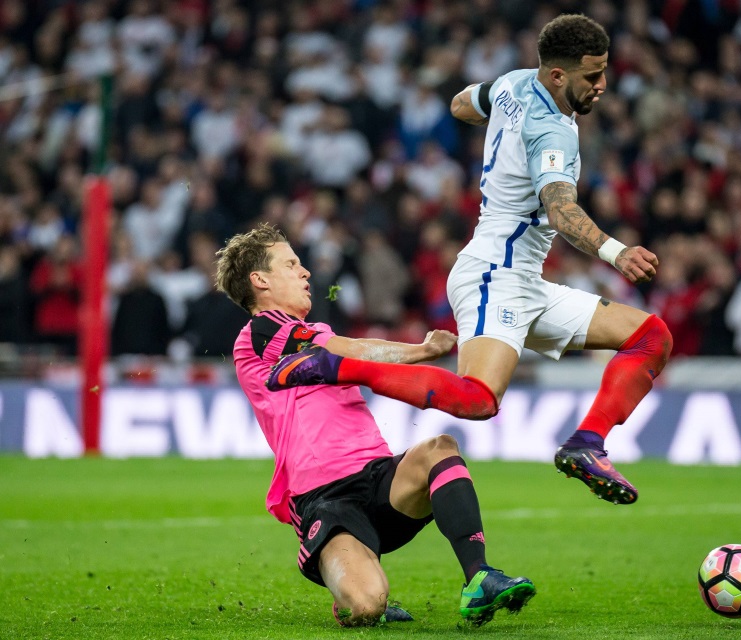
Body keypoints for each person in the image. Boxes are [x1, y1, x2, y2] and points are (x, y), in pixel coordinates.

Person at [215, 224, 535, 627]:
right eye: (291, 264)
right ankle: (351, 585)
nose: (306, 272)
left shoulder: (316, 332)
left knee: (440, 448)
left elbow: (345, 352)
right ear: (259, 280)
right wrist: (422, 350)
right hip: (326, 499)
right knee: (367, 606)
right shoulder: (259, 334)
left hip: (379, 480)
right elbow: (348, 352)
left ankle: (479, 578)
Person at [444, 13, 672, 503]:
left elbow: (462, 104)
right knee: (477, 401)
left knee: (650, 337)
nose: (603, 85)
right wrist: (617, 251)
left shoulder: (511, 81)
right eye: (592, 76)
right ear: (557, 75)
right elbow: (560, 208)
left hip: (526, 281)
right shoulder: (554, 131)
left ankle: (586, 445)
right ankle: (340, 365)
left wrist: (498, 124)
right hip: (494, 273)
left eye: (604, 71)